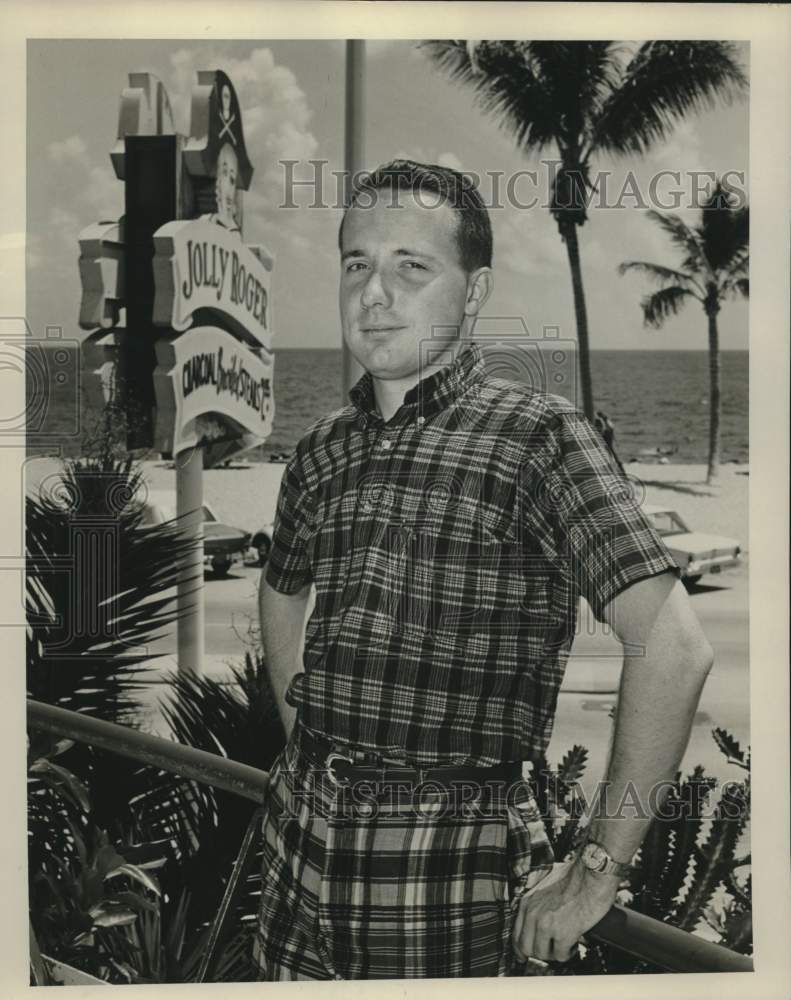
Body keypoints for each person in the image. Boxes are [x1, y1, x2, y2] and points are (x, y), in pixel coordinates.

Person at [255, 160, 714, 980]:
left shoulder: (539, 438)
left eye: (412, 267)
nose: (373, 293)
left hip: (449, 864)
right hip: (299, 840)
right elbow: (282, 586)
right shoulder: (321, 450)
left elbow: (673, 648)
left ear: (473, 292)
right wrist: (306, 746)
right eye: (356, 263)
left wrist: (596, 869)